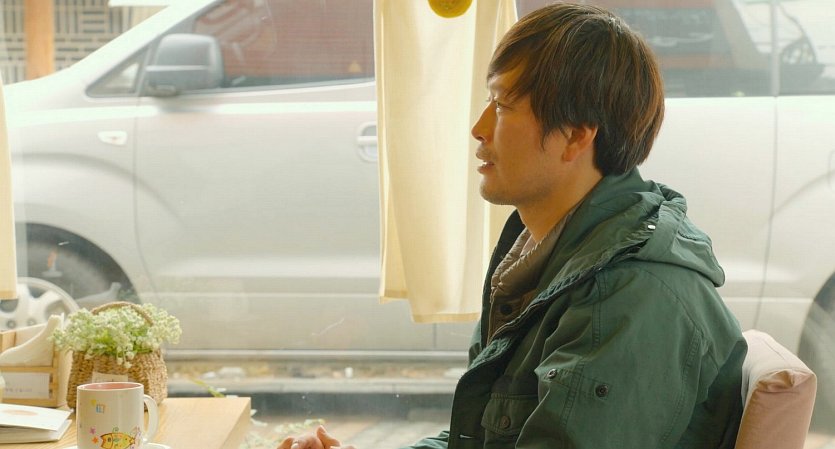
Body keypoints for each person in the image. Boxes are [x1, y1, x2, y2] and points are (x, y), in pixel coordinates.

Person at [279, 3, 746, 448]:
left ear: (575, 135)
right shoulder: (545, 258)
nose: (479, 127)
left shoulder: (626, 300)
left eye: (502, 105)